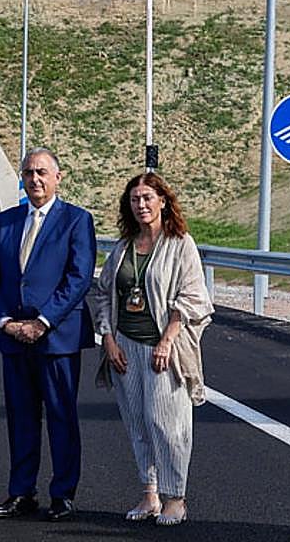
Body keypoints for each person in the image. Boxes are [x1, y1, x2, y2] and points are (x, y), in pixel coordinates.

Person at [89, 173, 213, 526]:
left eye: (147, 198)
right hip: (125, 347)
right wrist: (108, 339)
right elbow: (103, 293)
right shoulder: (124, 246)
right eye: (134, 200)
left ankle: (176, 498)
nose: (141, 205)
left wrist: (168, 339)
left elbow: (193, 296)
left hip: (163, 349)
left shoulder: (180, 244)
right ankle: (149, 494)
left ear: (162, 201)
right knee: (138, 423)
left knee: (168, 425)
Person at [0, 147, 95, 522]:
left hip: (56, 338)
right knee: (21, 419)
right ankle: (21, 492)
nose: (35, 179)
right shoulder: (7, 221)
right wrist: (4, 322)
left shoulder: (76, 220)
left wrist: (43, 321)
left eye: (42, 172)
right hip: (14, 338)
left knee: (61, 416)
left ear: (58, 177)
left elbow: (78, 278)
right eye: (29, 173)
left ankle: (62, 495)